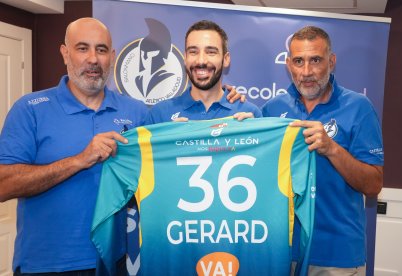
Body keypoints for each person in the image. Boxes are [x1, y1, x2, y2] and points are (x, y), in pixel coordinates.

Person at [0, 17, 148, 275]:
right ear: (64, 53)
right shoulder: (30, 109)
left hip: (117, 263)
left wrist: (229, 101)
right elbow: (4, 184)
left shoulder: (135, 112)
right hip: (46, 265)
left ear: (112, 56)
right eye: (82, 48)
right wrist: (80, 159)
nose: (93, 59)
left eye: (101, 50)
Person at [261, 26, 384, 275]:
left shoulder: (359, 107)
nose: (306, 72)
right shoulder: (272, 109)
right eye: (298, 61)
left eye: (315, 60)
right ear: (288, 65)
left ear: (331, 61)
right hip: (279, 251)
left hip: (336, 254)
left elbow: (373, 186)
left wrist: (331, 148)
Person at [145, 20, 262, 124]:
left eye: (211, 52)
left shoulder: (250, 114)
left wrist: (253, 135)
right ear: (185, 58)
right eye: (193, 52)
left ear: (225, 59)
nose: (201, 61)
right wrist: (167, 141)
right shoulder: (159, 115)